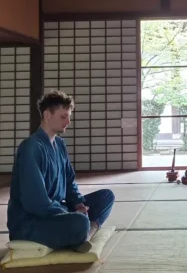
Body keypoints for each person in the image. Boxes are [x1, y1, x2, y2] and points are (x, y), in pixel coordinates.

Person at [8, 90, 114, 252]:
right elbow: (35, 202)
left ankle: (83, 234)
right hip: (32, 221)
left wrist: (78, 205)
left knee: (106, 196)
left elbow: (70, 182)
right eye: (63, 117)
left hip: (57, 211)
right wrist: (70, 214)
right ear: (47, 115)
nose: (68, 121)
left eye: (69, 116)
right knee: (79, 223)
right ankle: (84, 232)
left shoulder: (60, 144)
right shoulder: (31, 148)